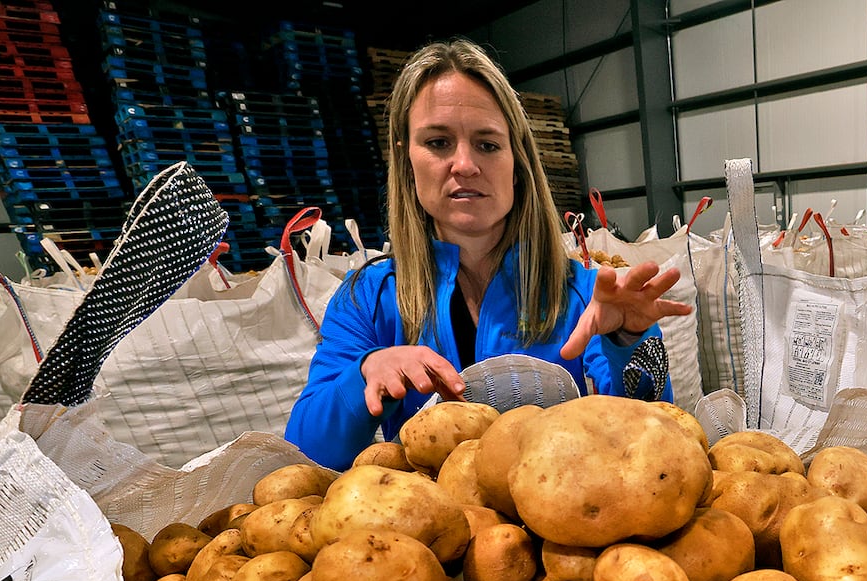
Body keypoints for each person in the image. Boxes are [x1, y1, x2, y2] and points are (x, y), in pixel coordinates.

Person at [285, 39, 691, 470]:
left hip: (558, 522)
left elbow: (651, 448)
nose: (464, 164)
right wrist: (365, 376)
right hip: (426, 528)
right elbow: (306, 455)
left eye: (487, 144)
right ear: (407, 160)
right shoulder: (368, 299)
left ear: (517, 161)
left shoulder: (587, 296)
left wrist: (626, 341)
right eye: (439, 142)